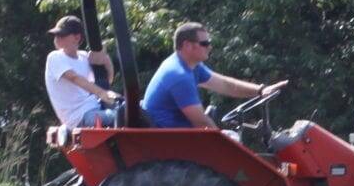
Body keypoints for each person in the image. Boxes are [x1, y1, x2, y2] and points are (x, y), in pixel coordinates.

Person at [141, 22, 287, 129]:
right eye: (205, 43)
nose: (210, 47)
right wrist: (226, 145)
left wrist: (261, 90)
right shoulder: (179, 75)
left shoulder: (192, 66)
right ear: (187, 45)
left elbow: (226, 85)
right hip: (170, 142)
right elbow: (202, 123)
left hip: (177, 137)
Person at [42, 15, 120, 128]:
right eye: (56, 35)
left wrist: (106, 60)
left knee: (134, 108)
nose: (57, 38)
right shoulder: (55, 57)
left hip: (94, 107)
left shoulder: (84, 57)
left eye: (61, 35)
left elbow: (108, 81)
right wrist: (102, 93)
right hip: (79, 117)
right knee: (124, 116)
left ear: (77, 38)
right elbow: (75, 78)